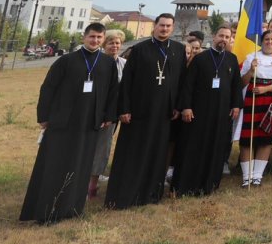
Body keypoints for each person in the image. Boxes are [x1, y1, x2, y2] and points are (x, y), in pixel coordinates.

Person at [21, 23, 119, 224]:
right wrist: (44, 116)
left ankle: (72, 208)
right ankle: (48, 210)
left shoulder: (108, 63)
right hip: (63, 122)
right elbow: (48, 88)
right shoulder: (66, 61)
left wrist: (109, 115)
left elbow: (113, 91)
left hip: (89, 124)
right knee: (56, 165)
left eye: (99, 38)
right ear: (84, 37)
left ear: (103, 39)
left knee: (81, 165)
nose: (95, 41)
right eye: (92, 37)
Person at [105, 13, 185, 210]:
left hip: (164, 113)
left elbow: (182, 80)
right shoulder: (139, 49)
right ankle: (127, 193)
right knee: (135, 151)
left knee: (157, 152)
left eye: (168, 26)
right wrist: (124, 108)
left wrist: (178, 105)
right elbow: (127, 82)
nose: (164, 29)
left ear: (172, 28)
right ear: (155, 26)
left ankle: (151, 193)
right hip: (139, 111)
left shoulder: (178, 49)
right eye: (161, 25)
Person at [172, 25, 243, 196]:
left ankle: (209, 184)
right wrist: (186, 107)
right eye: (221, 36)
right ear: (214, 36)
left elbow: (236, 85)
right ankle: (187, 185)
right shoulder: (200, 58)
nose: (224, 39)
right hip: (199, 112)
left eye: (227, 37)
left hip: (222, 113)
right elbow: (188, 85)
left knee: (216, 147)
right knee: (193, 146)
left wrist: (236, 105)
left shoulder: (232, 59)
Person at [237, 31, 272, 187]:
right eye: (267, 39)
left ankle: (257, 176)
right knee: (247, 138)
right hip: (252, 98)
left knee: (266, 137)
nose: (269, 42)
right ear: (261, 41)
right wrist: (251, 71)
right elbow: (241, 82)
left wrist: (266, 89)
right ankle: (247, 176)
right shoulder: (251, 57)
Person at [88, 28, 127, 198]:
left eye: (117, 43)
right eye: (111, 43)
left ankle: (93, 184)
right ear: (104, 44)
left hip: (112, 114)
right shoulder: (96, 61)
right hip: (93, 110)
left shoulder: (124, 63)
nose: (114, 46)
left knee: (103, 147)